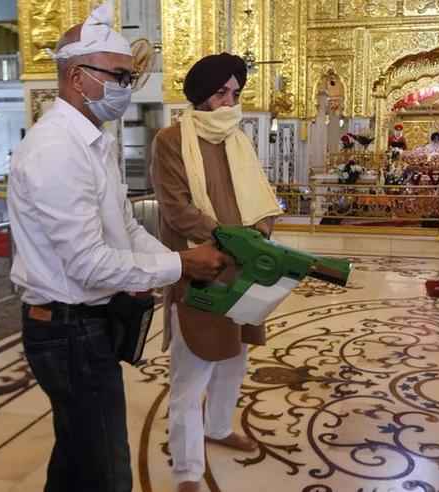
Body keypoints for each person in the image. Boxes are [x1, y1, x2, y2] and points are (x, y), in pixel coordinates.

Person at [7, 4, 230, 491]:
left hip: (87, 324)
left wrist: (173, 265)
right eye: (119, 76)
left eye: (131, 77)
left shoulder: (95, 141)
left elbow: (124, 228)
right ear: (77, 76)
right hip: (65, 329)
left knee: (76, 454)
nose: (127, 88)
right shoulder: (55, 150)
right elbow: (88, 263)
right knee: (107, 470)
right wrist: (179, 263)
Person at [151, 53, 284, 492]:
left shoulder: (237, 140)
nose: (230, 100)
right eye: (221, 92)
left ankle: (219, 427)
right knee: (192, 373)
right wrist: (231, 239)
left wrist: (260, 230)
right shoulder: (171, 140)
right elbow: (177, 209)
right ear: (200, 95)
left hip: (244, 270)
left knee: (235, 357)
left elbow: (259, 196)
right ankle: (188, 470)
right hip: (201, 269)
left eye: (235, 92)